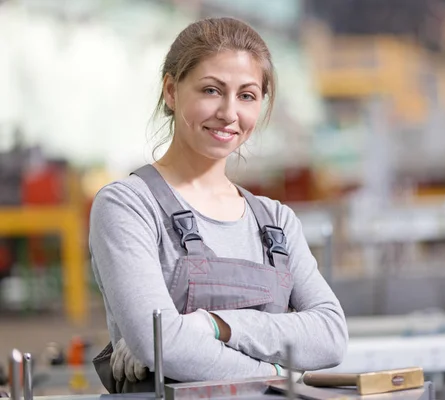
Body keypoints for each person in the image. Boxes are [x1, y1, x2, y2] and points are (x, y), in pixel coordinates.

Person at [89, 17, 348, 394]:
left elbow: (330, 335)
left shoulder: (276, 222)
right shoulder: (129, 206)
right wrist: (281, 375)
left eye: (246, 95)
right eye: (212, 90)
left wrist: (211, 324)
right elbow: (161, 342)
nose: (229, 113)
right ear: (171, 91)